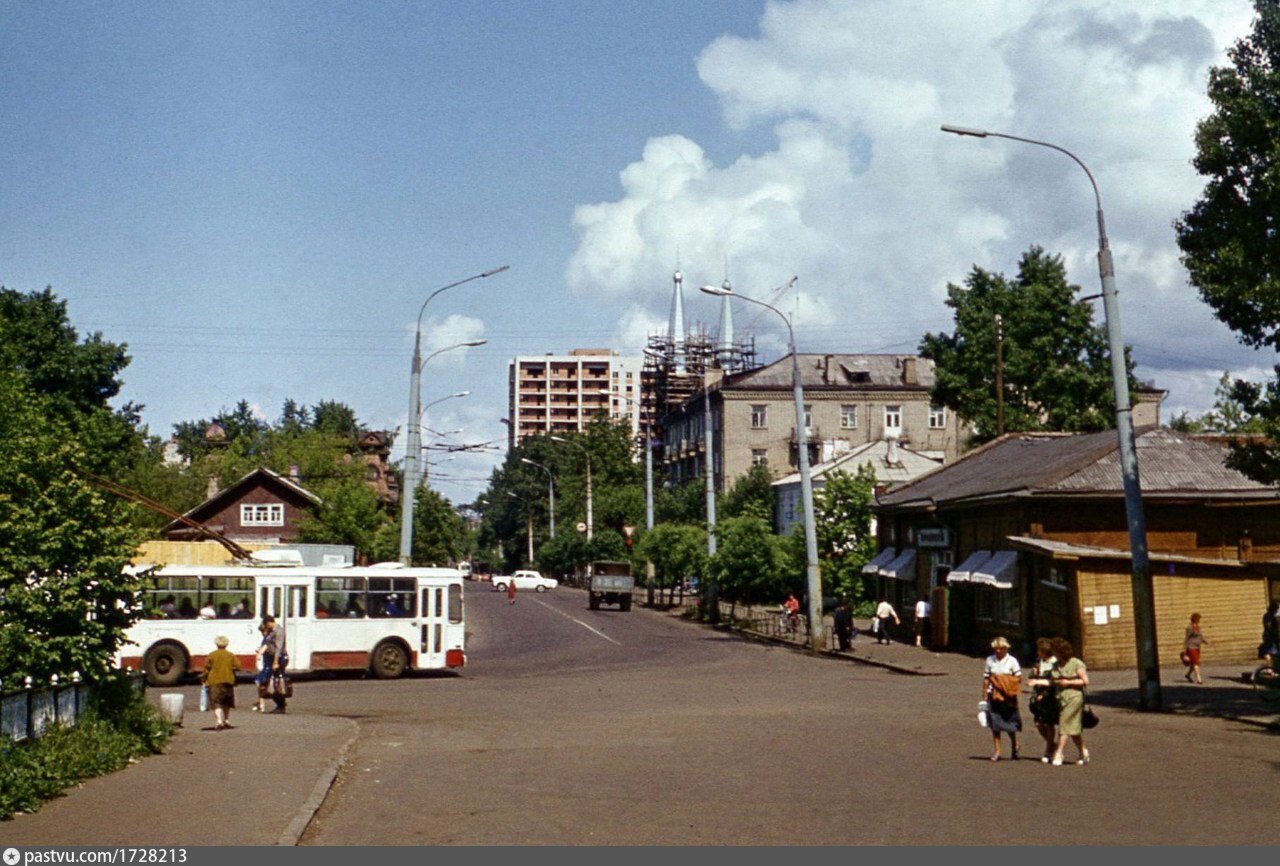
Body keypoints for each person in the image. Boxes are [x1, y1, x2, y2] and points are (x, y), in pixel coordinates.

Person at [1044, 637, 1089, 766]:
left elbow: (1085, 681)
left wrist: (1068, 682)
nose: (1053, 654)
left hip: (1074, 697)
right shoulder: (1056, 665)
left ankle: (1059, 753)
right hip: (1061, 698)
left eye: (1054, 651)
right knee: (1073, 729)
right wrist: (1036, 682)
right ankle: (1083, 752)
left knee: (1064, 724)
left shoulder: (1075, 663)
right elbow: (1052, 682)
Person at [982, 636, 1022, 761]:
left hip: (1008, 697)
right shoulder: (990, 660)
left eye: (1001, 648)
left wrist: (1004, 681)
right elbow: (986, 678)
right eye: (996, 649)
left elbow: (1018, 678)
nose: (998, 651)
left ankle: (1014, 744)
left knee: (1010, 723)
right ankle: (997, 752)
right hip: (993, 695)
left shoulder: (1012, 661)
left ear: (1006, 648)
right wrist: (984, 695)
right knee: (995, 725)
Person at [1027, 638, 1059, 762]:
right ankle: (1051, 745)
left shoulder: (1054, 663)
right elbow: (1032, 676)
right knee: (1038, 723)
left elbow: (1054, 681)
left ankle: (1048, 750)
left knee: (1049, 723)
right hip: (1038, 695)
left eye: (1039, 650)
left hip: (1050, 696)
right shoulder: (1039, 662)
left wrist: (1044, 693)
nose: (1037, 652)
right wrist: (1033, 673)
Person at [200, 635, 239, 731]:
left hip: (214, 681)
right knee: (226, 701)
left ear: (216, 644)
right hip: (228, 680)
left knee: (216, 702)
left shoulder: (212, 655)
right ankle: (226, 720)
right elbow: (238, 666)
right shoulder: (230, 655)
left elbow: (206, 669)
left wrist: (203, 679)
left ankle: (219, 721)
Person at [255, 616, 287, 713]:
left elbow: (278, 648)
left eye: (266, 625)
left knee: (276, 682)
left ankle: (281, 705)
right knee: (273, 682)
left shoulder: (279, 631)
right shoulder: (272, 631)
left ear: (269, 623)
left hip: (279, 658)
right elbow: (268, 643)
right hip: (273, 659)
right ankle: (280, 704)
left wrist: (276, 662)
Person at [1183, 612, 1208, 684]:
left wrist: (1205, 641)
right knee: (1195, 663)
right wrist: (1184, 649)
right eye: (1198, 619)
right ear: (1195, 619)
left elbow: (1201, 636)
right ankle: (1199, 679)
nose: (1199, 620)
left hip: (1197, 647)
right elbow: (1186, 638)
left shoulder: (1198, 627)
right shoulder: (1189, 627)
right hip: (1191, 647)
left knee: (1193, 663)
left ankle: (1188, 675)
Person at [1261, 602, 1279, 668]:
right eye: (1276, 609)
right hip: (1270, 637)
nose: (1277, 611)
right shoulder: (1269, 616)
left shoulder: (1268, 615)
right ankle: (1270, 668)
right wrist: (1275, 634)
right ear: (1273, 609)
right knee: (1271, 653)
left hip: (1270, 636)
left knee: (1272, 652)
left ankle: (1271, 668)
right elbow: (1268, 626)